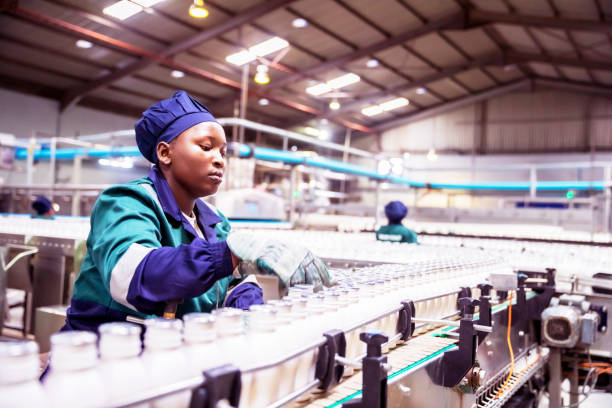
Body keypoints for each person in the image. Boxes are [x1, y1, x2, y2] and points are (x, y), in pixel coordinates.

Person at [63, 90, 332, 332]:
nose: (219, 160)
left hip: (176, 359)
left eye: (223, 152)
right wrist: (231, 253)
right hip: (102, 358)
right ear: (165, 153)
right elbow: (136, 276)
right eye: (206, 147)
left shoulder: (214, 222)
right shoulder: (126, 202)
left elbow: (233, 283)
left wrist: (247, 309)